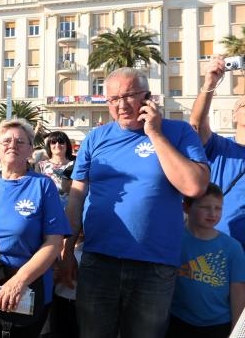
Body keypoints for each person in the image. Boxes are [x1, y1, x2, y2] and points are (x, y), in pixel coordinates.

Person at [62, 67, 209, 338]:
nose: (121, 105)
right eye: (113, 99)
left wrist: (155, 134)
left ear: (147, 97)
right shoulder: (95, 138)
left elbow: (195, 186)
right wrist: (68, 249)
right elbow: (76, 197)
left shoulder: (178, 132)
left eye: (129, 95)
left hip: (154, 266)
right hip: (98, 260)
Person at [0, 119, 70, 338]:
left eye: (20, 141)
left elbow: (54, 243)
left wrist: (18, 281)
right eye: (6, 140)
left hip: (28, 290)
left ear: (30, 150)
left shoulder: (43, 185)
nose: (12, 145)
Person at [168, 183, 245, 337]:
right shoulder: (173, 240)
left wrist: (236, 333)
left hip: (218, 326)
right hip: (177, 321)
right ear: (186, 207)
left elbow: (238, 293)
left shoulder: (233, 248)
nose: (212, 213)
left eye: (218, 208)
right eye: (205, 207)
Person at [190, 54, 245, 246]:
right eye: (244, 104)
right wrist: (210, 82)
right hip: (218, 248)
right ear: (234, 116)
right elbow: (196, 124)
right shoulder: (219, 146)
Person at [35, 131, 75, 208]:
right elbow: (37, 190)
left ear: (67, 145)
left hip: (71, 209)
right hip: (48, 208)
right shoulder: (41, 165)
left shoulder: (76, 164)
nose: (57, 145)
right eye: (53, 142)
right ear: (49, 146)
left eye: (61, 142)